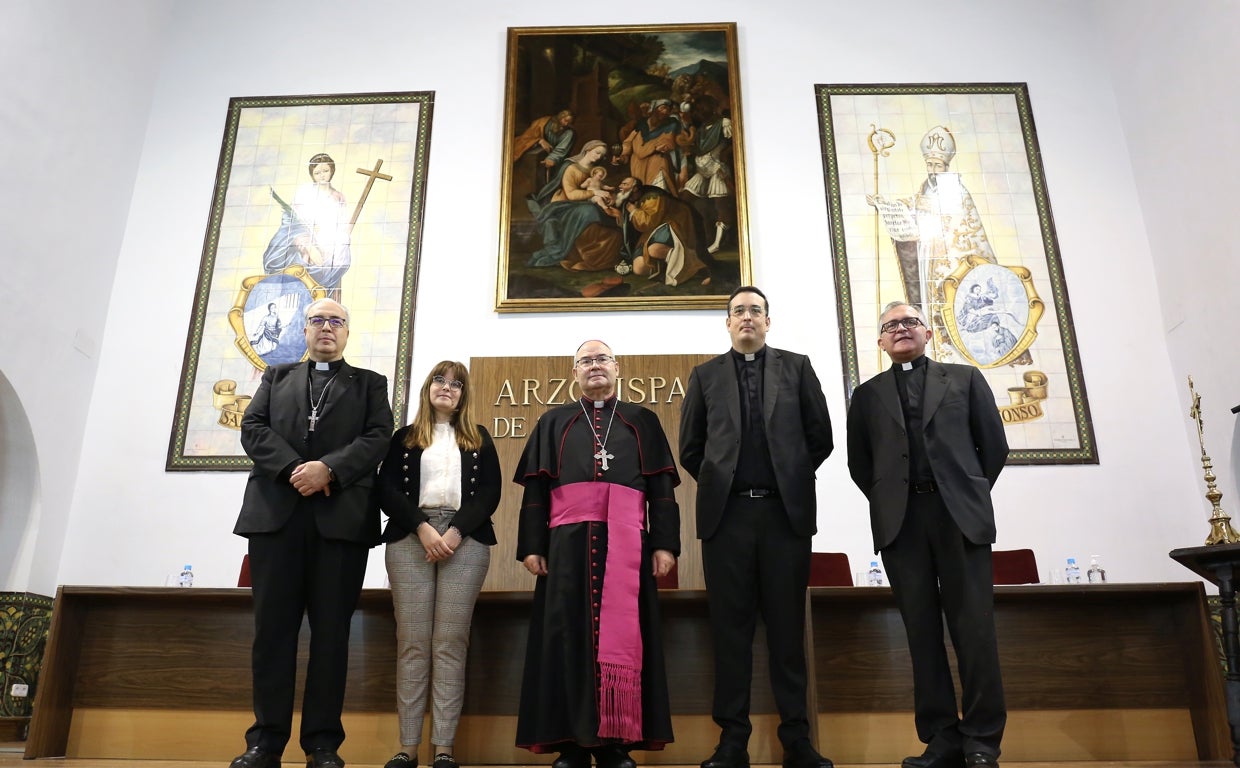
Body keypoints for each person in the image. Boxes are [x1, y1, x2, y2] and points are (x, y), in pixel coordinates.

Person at [230, 298, 394, 768]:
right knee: (272, 634)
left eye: (336, 321)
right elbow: (253, 427)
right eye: (318, 320)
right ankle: (264, 741)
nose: (327, 328)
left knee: (331, 636)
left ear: (347, 332)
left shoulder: (369, 384)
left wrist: (329, 470)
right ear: (303, 330)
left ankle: (323, 744)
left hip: (339, 522)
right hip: (276, 519)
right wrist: (292, 470)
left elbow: (379, 436)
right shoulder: (275, 377)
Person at [845, 301, 1008, 768]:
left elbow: (993, 447)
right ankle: (941, 740)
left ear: (928, 333)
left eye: (909, 322)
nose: (900, 329)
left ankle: (982, 741)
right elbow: (862, 464)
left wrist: (964, 491)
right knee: (921, 633)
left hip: (960, 516)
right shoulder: (867, 395)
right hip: (902, 523)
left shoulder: (964, 379)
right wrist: (893, 499)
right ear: (880, 342)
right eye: (890, 325)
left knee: (974, 631)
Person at [679, 286, 835, 768]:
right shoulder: (705, 376)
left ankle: (797, 741)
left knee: (788, 632)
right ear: (727, 323)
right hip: (727, 520)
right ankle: (732, 742)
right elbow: (691, 447)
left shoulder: (798, 367)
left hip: (784, 517)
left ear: (768, 321)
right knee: (730, 632)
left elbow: (820, 438)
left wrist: (787, 476)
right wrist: (723, 481)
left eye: (755, 310)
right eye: (738, 311)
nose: (747, 317)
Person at [514, 340, 680, 768]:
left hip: (628, 545)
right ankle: (569, 743)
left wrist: (664, 543)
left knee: (628, 639)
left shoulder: (643, 420)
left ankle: (617, 743)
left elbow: (662, 492)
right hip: (565, 548)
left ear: (617, 367)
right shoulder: (553, 422)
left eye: (601, 359)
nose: (594, 366)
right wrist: (532, 546)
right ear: (575, 374)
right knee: (564, 637)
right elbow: (535, 492)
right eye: (585, 361)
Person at [378, 362, 502, 768]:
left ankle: (444, 749)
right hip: (411, 538)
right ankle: (407, 749)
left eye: (456, 384)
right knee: (413, 644)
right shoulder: (405, 438)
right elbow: (388, 489)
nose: (447, 388)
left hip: (464, 541)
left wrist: (454, 532)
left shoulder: (478, 439)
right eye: (440, 380)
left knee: (450, 644)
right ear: (428, 387)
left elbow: (489, 493)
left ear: (464, 394)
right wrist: (423, 529)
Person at [866, 126, 997, 315]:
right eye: (930, 165)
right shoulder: (926, 187)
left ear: (946, 166)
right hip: (926, 254)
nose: (933, 170)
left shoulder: (957, 191)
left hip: (950, 258)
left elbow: (965, 228)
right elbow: (912, 204)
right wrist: (884, 204)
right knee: (928, 300)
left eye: (938, 165)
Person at [262, 153, 353, 295]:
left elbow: (341, 222)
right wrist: (306, 241)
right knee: (309, 261)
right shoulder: (305, 192)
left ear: (332, 171)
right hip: (306, 237)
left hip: (331, 240)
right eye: (317, 173)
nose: (322, 176)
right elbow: (292, 219)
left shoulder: (338, 196)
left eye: (325, 171)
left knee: (341, 253)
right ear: (312, 174)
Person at [528, 140, 624, 271]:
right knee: (590, 211)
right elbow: (571, 194)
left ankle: (596, 259)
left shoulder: (595, 171)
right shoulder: (571, 168)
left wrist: (609, 197)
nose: (598, 157)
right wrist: (594, 192)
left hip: (585, 202)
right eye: (597, 153)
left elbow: (602, 187)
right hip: (566, 204)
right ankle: (582, 256)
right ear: (587, 150)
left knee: (610, 214)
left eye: (602, 155)